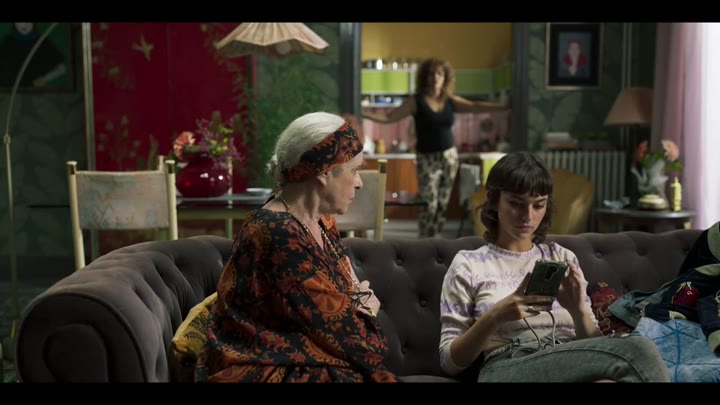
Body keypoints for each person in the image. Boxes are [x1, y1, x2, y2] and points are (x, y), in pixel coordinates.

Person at [194, 112, 399, 383]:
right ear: (325, 172)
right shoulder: (279, 235)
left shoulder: (321, 221)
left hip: (302, 363)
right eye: (354, 170)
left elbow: (348, 307)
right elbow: (363, 344)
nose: (359, 182)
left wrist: (357, 307)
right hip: (263, 371)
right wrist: (367, 310)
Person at [438, 151, 670, 382]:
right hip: (507, 365)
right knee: (639, 349)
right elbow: (449, 362)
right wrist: (495, 316)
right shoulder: (468, 264)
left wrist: (578, 310)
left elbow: (594, 345)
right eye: (516, 204)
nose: (527, 216)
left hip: (569, 359)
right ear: (493, 199)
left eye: (538, 205)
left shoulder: (561, 257)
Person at [362, 58, 507, 238]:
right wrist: (361, 113)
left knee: (441, 203)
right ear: (425, 77)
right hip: (426, 158)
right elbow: (388, 118)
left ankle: (435, 237)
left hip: (449, 157)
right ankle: (425, 238)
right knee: (429, 202)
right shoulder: (416, 101)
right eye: (431, 73)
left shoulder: (449, 101)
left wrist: (503, 106)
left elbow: (474, 106)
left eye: (439, 73)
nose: (435, 77)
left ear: (445, 78)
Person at [0, 23, 67, 88]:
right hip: (7, 90)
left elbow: (61, 68)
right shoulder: (7, 42)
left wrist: (44, 79)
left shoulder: (42, 42)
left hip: (33, 91)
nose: (24, 24)